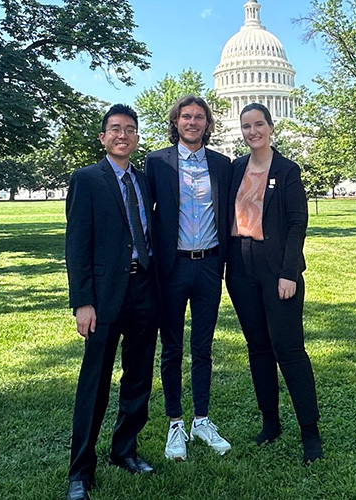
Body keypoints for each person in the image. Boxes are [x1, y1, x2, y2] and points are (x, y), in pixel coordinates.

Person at [64, 104, 158, 500]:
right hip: (103, 299)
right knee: (95, 381)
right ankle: (80, 473)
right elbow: (76, 244)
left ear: (136, 137)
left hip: (144, 291)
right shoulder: (86, 179)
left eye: (130, 129)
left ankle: (124, 450)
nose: (123, 135)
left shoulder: (144, 180)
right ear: (103, 138)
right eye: (115, 129)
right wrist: (83, 302)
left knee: (137, 377)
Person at [225, 103, 323, 465]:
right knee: (258, 348)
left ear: (270, 126)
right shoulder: (235, 168)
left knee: (289, 349)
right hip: (239, 266)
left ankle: (310, 433)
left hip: (276, 268)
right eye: (247, 126)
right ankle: (270, 423)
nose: (253, 132)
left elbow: (298, 225)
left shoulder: (287, 170)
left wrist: (288, 273)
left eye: (259, 124)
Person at [144, 95, 234, 461]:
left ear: (207, 124)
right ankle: (175, 423)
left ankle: (202, 419)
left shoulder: (222, 164)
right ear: (176, 122)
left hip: (209, 266)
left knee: (202, 347)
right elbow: (142, 211)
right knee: (172, 349)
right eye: (186, 116)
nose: (193, 122)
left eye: (199, 117)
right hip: (172, 267)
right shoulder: (156, 162)